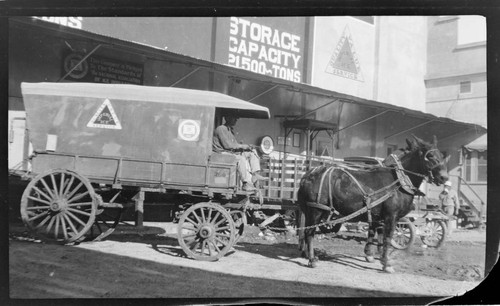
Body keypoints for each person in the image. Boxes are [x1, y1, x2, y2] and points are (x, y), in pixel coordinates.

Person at [213, 115, 265, 191]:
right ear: (227, 118)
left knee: (252, 153)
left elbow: (235, 145)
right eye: (234, 118)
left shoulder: (229, 130)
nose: (235, 120)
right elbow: (228, 146)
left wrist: (247, 148)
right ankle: (245, 183)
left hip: (229, 152)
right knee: (240, 159)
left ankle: (255, 174)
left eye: (236, 119)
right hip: (221, 153)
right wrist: (243, 146)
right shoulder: (221, 129)